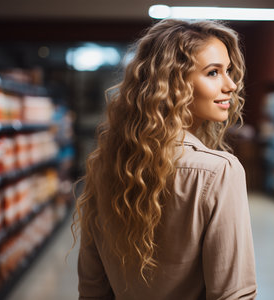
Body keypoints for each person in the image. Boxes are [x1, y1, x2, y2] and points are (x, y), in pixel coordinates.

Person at [73, 18, 257, 300]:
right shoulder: (219, 171)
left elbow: (92, 289)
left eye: (228, 71)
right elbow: (233, 295)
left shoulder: (105, 165)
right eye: (212, 73)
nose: (231, 85)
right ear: (174, 83)